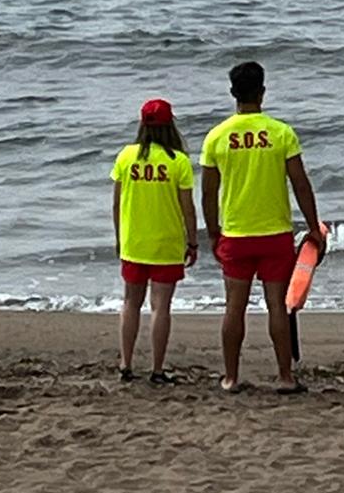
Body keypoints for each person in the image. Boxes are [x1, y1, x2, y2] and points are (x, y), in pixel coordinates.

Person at [201, 60, 325, 394]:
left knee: (234, 308)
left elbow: (209, 192)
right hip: (275, 235)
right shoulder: (281, 132)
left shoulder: (216, 137)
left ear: (233, 94)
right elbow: (301, 184)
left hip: (236, 235)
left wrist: (213, 232)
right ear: (263, 92)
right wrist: (314, 226)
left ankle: (231, 377)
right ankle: (285, 377)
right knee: (277, 308)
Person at [110, 97, 198, 384]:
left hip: (134, 241)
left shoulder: (126, 156)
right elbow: (187, 207)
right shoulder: (178, 161)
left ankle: (126, 363)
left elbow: (117, 203)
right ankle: (157, 369)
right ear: (169, 125)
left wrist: (119, 237)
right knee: (161, 307)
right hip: (166, 243)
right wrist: (193, 241)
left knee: (130, 303)